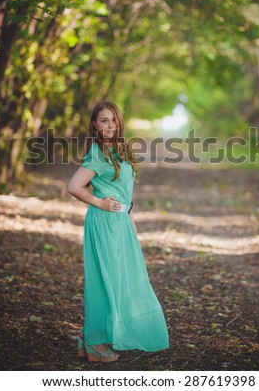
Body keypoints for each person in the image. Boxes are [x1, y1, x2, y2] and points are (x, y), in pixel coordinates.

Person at [67, 101, 169, 362]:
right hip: (103, 222)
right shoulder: (97, 154)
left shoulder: (121, 150)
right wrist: (99, 202)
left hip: (121, 222)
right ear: (95, 124)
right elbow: (74, 186)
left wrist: (132, 230)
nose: (110, 125)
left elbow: (127, 196)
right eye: (104, 120)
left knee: (124, 280)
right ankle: (96, 343)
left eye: (113, 120)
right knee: (105, 282)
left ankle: (87, 335)